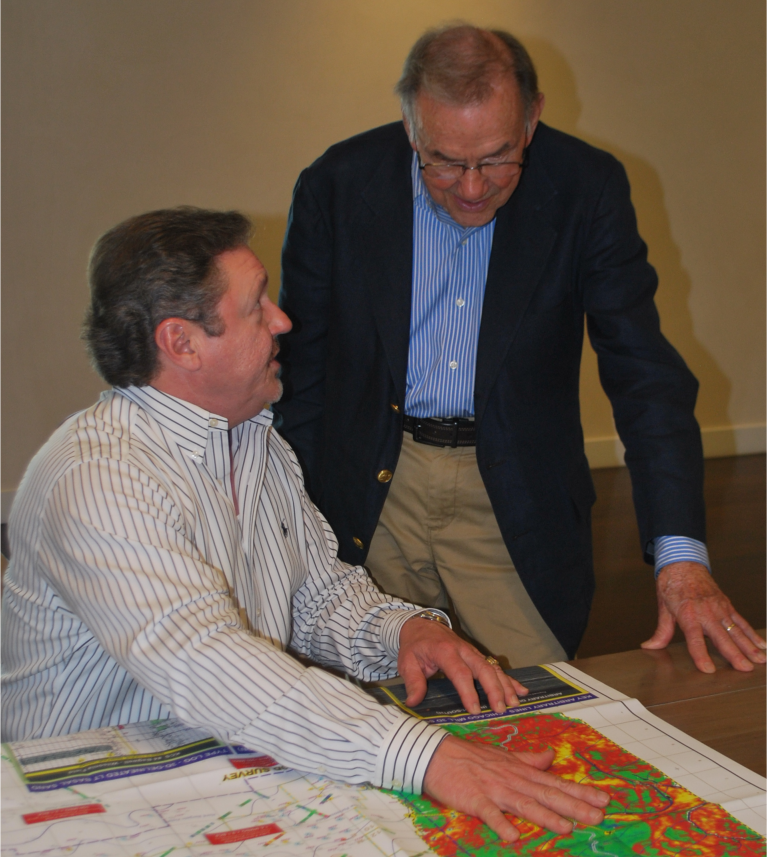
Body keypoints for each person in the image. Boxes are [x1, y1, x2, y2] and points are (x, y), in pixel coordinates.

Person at [0, 207, 609, 843]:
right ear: (182, 343)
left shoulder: (254, 439)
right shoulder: (98, 475)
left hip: (215, 764)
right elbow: (209, 663)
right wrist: (427, 757)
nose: (282, 321)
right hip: (85, 799)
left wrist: (405, 631)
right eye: (256, 306)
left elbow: (317, 595)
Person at [275, 24, 766, 672]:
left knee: (540, 699)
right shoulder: (337, 184)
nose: (471, 187)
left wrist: (680, 558)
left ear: (531, 118)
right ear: (411, 126)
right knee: (372, 700)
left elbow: (644, 374)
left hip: (509, 490)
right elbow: (301, 379)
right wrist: (285, 531)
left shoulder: (584, 186)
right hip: (371, 486)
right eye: (444, 161)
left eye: (497, 158)